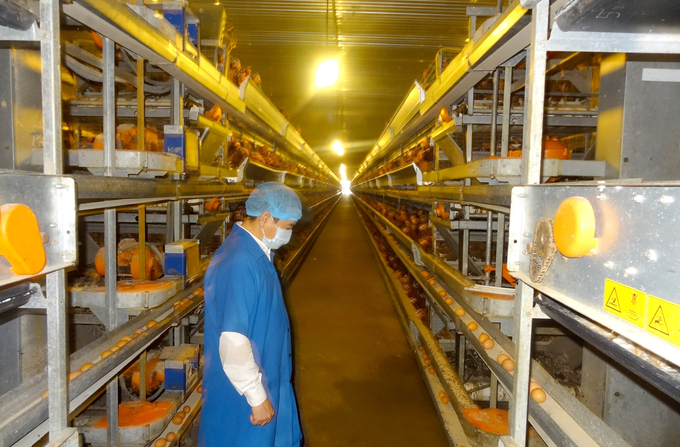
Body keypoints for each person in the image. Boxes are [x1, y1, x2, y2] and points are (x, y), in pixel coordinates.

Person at [198, 182, 303, 447]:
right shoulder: (238, 263)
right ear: (266, 218)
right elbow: (233, 341)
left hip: (267, 374)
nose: (288, 234)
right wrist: (257, 398)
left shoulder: (256, 253)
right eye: (287, 227)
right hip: (244, 399)